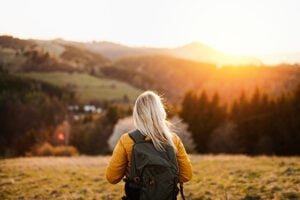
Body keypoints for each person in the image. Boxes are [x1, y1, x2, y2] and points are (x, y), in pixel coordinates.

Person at [106, 91, 192, 199]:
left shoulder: (127, 140)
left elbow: (112, 177)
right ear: (161, 112)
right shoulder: (173, 140)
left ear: (137, 114)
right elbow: (186, 176)